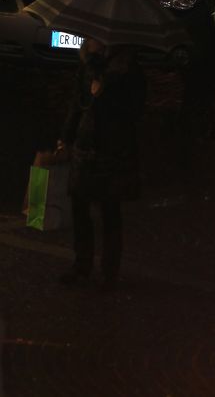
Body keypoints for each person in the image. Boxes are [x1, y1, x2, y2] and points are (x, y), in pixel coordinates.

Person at [57, 39, 146, 291]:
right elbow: (77, 103)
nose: (90, 41)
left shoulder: (128, 70)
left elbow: (135, 111)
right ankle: (81, 265)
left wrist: (106, 94)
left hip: (113, 150)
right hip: (86, 147)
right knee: (80, 207)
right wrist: (66, 135)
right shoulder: (87, 65)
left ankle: (110, 271)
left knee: (109, 211)